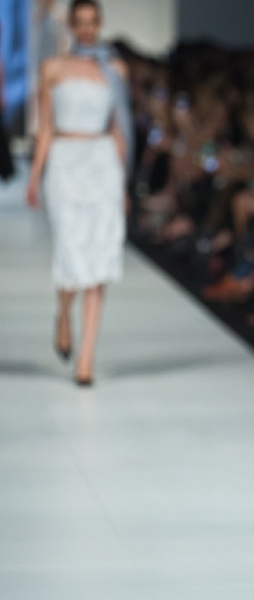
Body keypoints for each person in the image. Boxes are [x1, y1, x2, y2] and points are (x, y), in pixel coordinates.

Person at [25, 0, 130, 385]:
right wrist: (35, 175)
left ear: (100, 24)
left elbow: (119, 128)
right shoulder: (52, 68)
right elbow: (46, 128)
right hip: (65, 162)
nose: (86, 28)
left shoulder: (115, 70)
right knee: (70, 250)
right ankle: (63, 313)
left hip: (102, 162)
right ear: (70, 25)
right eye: (80, 22)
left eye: (92, 21)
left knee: (99, 257)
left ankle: (86, 357)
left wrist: (124, 182)